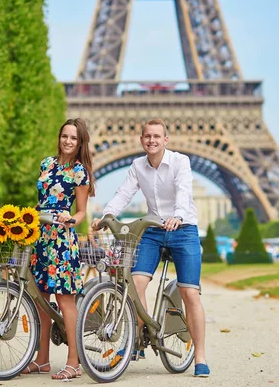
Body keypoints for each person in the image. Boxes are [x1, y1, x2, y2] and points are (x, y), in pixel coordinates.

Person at [92, 118, 210, 378]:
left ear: (165, 140)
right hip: (154, 230)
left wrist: (178, 215)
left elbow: (183, 191)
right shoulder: (137, 166)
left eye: (157, 136)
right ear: (141, 139)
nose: (152, 140)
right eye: (148, 136)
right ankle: (139, 337)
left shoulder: (180, 162)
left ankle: (200, 356)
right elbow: (124, 193)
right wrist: (107, 215)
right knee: (135, 284)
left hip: (183, 229)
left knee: (190, 293)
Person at [22, 118, 95, 381]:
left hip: (62, 239)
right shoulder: (46, 163)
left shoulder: (80, 172)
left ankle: (73, 362)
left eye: (73, 138)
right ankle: (42, 361)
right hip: (40, 235)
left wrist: (72, 220)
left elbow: (82, 211)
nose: (68, 141)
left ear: (80, 142)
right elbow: (41, 199)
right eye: (65, 135)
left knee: (65, 300)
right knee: (41, 300)